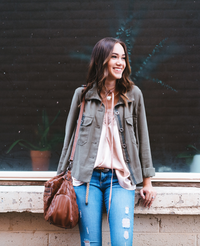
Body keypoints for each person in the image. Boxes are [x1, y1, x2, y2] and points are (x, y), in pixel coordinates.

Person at [57, 37, 156, 246]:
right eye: (114, 57)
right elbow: (69, 141)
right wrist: (59, 179)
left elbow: (143, 137)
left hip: (120, 180)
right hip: (86, 180)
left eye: (123, 57)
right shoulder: (82, 95)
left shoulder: (133, 95)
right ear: (102, 60)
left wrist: (147, 181)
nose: (121, 62)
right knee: (90, 244)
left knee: (122, 242)